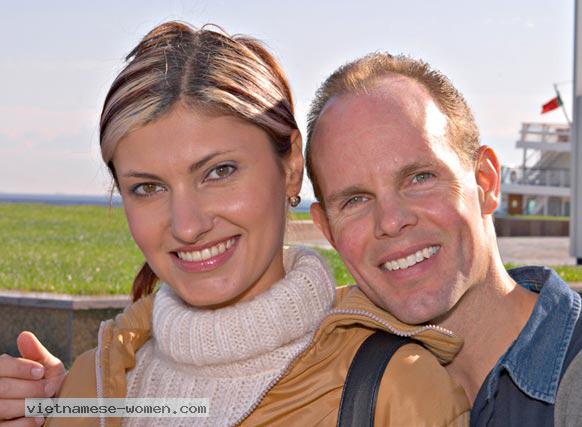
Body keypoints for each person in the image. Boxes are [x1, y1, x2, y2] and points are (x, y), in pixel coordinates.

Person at [0, 23, 469, 426]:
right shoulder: (91, 389)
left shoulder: (397, 389)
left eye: (219, 172)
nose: (187, 226)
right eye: (148, 187)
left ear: (291, 166)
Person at [304, 53, 582, 425]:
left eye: (420, 178)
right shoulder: (323, 392)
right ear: (328, 230)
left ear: (486, 182)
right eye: (355, 200)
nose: (392, 221)